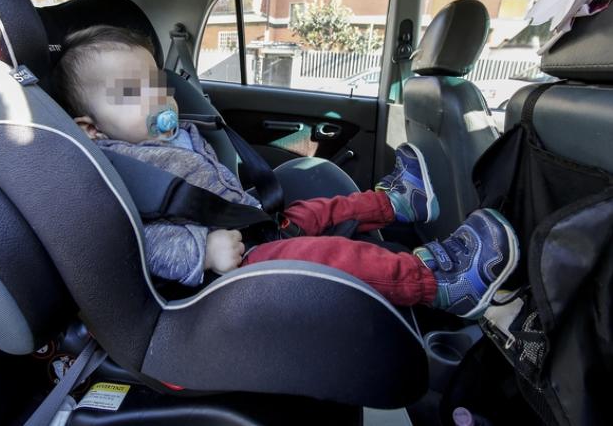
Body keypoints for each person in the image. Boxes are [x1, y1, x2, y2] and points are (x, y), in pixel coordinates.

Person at [54, 25, 519, 319]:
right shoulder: (115, 169)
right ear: (91, 128)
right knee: (333, 255)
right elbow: (138, 241)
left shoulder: (165, 135)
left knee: (320, 209)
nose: (156, 99)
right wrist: (203, 250)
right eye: (131, 93)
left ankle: (395, 201)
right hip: (227, 265)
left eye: (156, 84)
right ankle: (439, 283)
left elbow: (211, 177)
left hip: (249, 221)